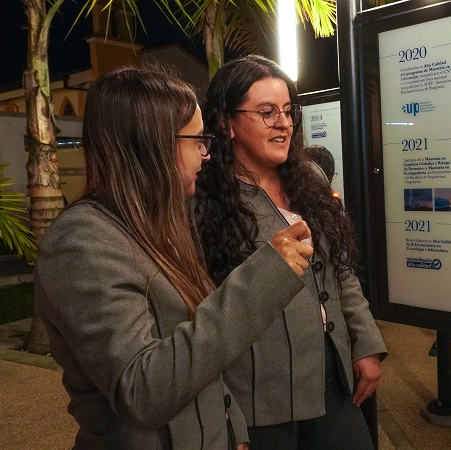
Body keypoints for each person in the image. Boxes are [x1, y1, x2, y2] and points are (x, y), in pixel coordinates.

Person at [34, 66, 314, 449]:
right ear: (151, 144)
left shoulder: (158, 223)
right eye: (196, 139)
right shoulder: (83, 241)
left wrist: (232, 429)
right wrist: (264, 277)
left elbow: (197, 351)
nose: (206, 152)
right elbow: (143, 391)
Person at [194, 55, 387, 450]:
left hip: (331, 378)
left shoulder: (309, 181)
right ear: (226, 122)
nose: (283, 123)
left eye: (287, 111)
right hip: (260, 396)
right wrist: (225, 412)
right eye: (267, 113)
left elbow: (340, 269)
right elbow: (202, 316)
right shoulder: (202, 203)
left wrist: (365, 340)